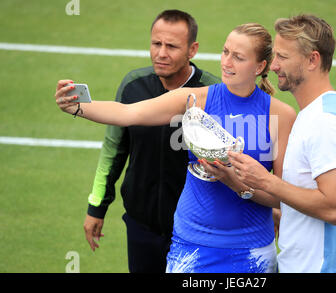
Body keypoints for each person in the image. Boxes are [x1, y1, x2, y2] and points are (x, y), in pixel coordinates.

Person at [55, 23, 296, 273]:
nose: (227, 62)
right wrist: (79, 106)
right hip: (192, 246)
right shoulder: (194, 99)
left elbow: (281, 196)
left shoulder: (280, 115)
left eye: (238, 57)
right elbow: (129, 113)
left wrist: (237, 184)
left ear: (259, 67)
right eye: (225, 52)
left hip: (251, 250)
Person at [82, 9, 220, 273]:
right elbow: (114, 150)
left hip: (195, 231)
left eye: (172, 46)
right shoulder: (134, 85)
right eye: (156, 43)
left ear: (193, 50)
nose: (161, 53)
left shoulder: (211, 94)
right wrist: (96, 207)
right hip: (140, 225)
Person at [228, 14, 336, 273]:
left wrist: (266, 180)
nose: (274, 65)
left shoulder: (326, 122)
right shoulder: (310, 115)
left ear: (312, 59)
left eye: (282, 57)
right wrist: (232, 179)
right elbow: (297, 196)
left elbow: (334, 208)